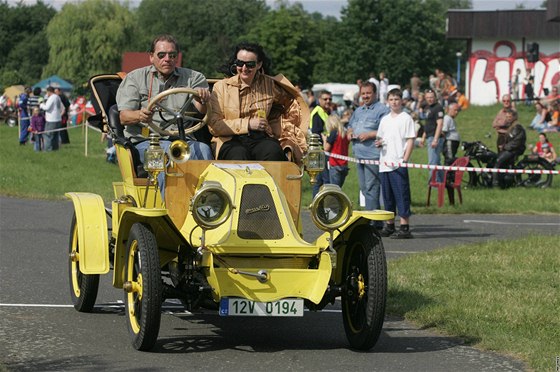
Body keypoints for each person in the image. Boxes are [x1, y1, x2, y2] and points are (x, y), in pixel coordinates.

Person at [116, 34, 213, 163]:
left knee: (204, 149)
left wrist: (202, 98)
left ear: (177, 57)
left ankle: (208, 184)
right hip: (147, 141)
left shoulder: (194, 78)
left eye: (172, 55)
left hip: (183, 139)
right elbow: (124, 116)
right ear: (151, 56)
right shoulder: (135, 78)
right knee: (164, 153)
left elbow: (202, 111)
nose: (167, 59)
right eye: (161, 55)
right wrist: (140, 115)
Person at [209, 41, 307, 166]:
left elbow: (292, 103)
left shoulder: (270, 85)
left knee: (273, 151)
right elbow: (214, 126)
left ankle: (273, 186)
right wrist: (248, 124)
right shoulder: (220, 87)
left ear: (259, 64)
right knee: (239, 155)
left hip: (261, 138)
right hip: (229, 139)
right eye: (240, 63)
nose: (244, 68)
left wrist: (283, 128)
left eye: (250, 64)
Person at [376, 88, 416, 239]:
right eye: (391, 99)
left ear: (402, 101)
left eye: (397, 99)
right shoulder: (385, 119)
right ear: (388, 101)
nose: (394, 102)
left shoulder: (406, 118)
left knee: (402, 194)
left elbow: (410, 139)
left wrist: (405, 159)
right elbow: (380, 137)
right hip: (384, 163)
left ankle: (405, 226)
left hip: (398, 163)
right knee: (387, 196)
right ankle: (390, 225)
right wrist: (378, 143)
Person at [347, 81, 390, 220]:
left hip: (372, 155)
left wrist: (370, 134)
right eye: (363, 93)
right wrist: (350, 132)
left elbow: (387, 131)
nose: (365, 96)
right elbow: (350, 125)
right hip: (358, 154)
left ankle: (372, 222)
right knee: (364, 188)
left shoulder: (382, 110)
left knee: (372, 188)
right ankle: (374, 218)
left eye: (368, 93)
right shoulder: (358, 110)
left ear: (375, 94)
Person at [492, 109, 526, 187]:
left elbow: (516, 142)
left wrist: (505, 147)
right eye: (506, 117)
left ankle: (495, 184)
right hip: (511, 149)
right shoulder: (511, 127)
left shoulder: (517, 127)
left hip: (514, 150)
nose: (507, 118)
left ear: (514, 117)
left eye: (509, 117)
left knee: (498, 161)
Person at [420, 89, 444, 183]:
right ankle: (443, 182)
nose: (430, 99)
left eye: (431, 97)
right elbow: (427, 125)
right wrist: (423, 138)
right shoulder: (428, 108)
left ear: (435, 97)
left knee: (432, 162)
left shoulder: (438, 108)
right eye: (428, 97)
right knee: (437, 162)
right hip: (429, 136)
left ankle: (434, 183)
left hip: (435, 137)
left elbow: (440, 124)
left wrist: (435, 139)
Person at [324, 114, 349, 187]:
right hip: (344, 164)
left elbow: (326, 148)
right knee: (339, 189)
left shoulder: (333, 133)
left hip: (335, 164)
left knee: (334, 190)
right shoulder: (344, 133)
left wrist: (325, 139)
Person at [40, 86, 63, 151]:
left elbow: (47, 107)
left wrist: (41, 104)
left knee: (48, 135)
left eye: (47, 92)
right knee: (55, 135)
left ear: (49, 91)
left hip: (51, 119)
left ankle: (47, 149)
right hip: (58, 118)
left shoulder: (52, 98)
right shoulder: (57, 97)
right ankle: (55, 148)